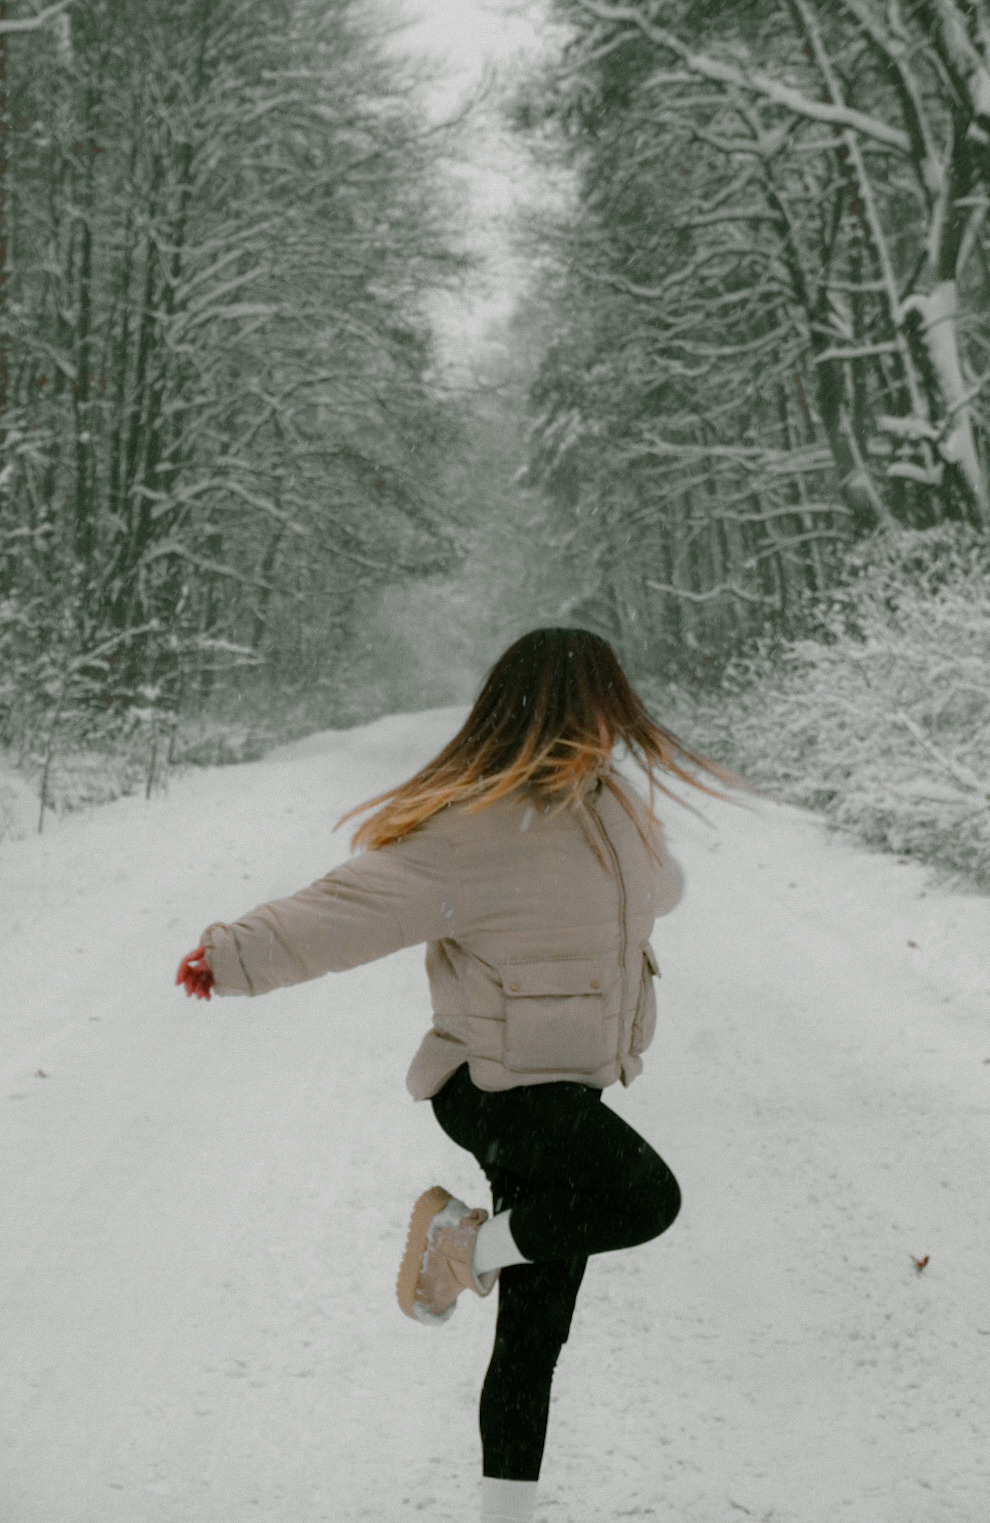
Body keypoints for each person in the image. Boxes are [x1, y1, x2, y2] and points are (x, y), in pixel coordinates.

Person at [176, 627, 737, 1523]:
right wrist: (234, 955)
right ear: (557, 711)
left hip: (568, 1083)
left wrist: (633, 835)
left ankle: (502, 1511)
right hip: (493, 1086)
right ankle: (463, 1245)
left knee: (535, 1332)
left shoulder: (613, 808)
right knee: (646, 1197)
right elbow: (350, 906)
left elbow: (659, 890)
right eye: (597, 707)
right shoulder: (476, 827)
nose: (609, 725)